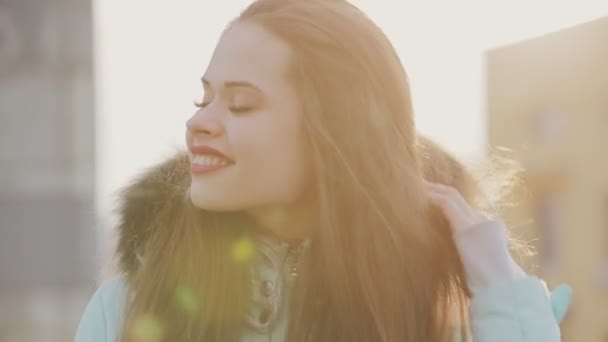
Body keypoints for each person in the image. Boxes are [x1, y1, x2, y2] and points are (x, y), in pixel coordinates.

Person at [75, 0, 572, 341]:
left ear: (333, 132)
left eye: (241, 105)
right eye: (203, 99)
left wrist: (500, 284)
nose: (198, 123)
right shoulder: (126, 312)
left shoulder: (439, 315)